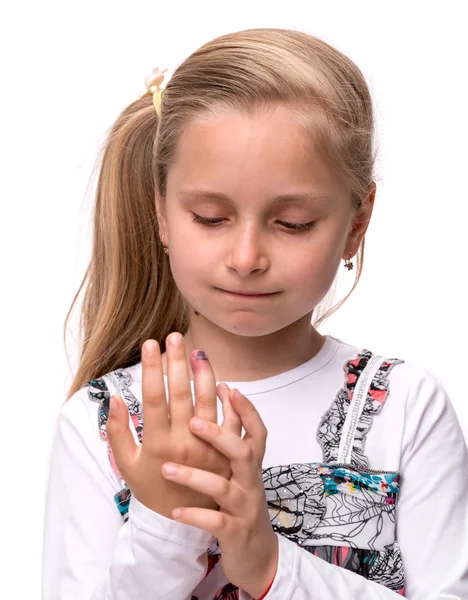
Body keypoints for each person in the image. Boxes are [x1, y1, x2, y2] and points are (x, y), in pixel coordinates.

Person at [41, 27, 468, 600]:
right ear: (162, 214)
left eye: (292, 223)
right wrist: (167, 524)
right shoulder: (100, 427)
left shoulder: (406, 411)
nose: (245, 259)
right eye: (212, 217)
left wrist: (273, 568)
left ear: (357, 222)